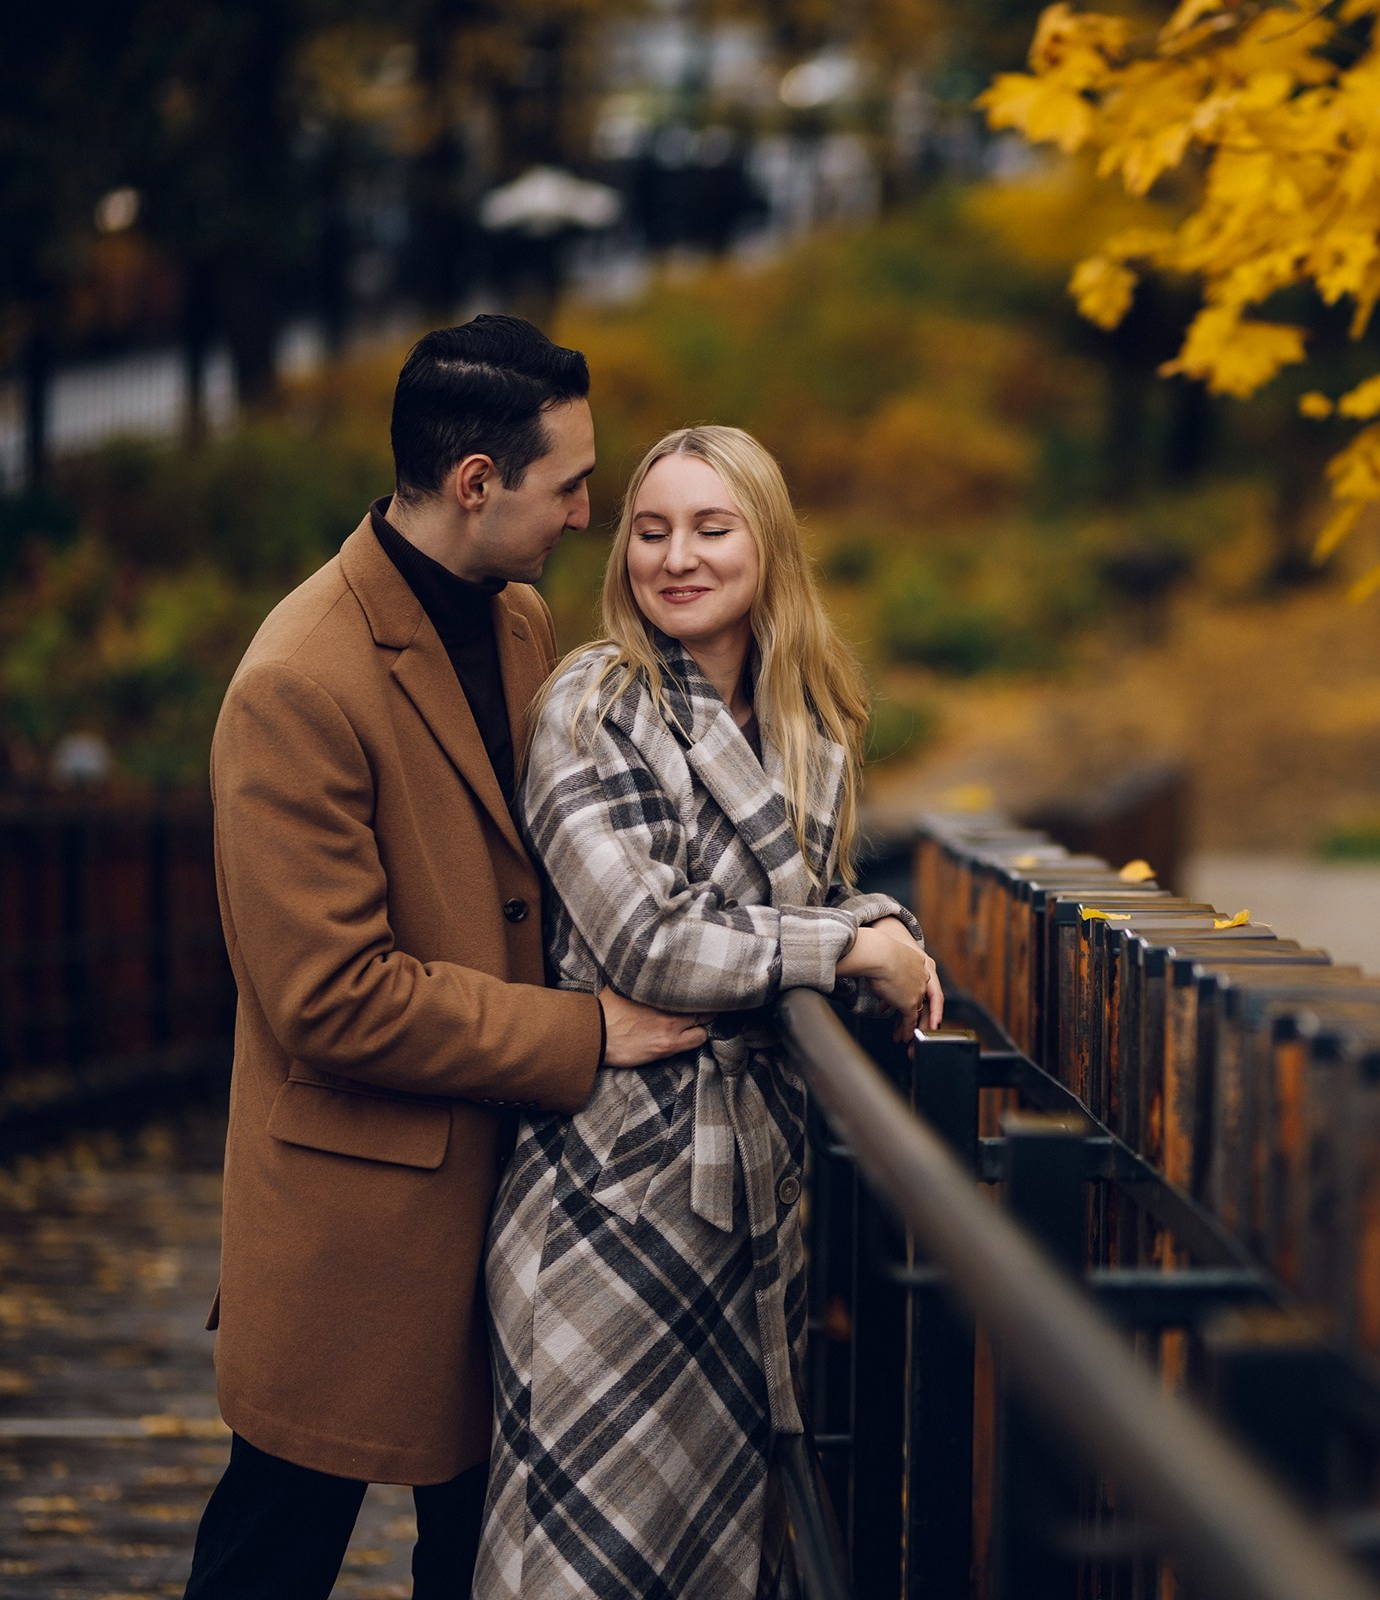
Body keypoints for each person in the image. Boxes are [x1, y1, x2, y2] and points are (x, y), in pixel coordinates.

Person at [185, 316, 710, 1600]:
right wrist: (584, 1033)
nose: (589, 513)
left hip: (519, 1198)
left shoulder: (519, 622)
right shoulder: (296, 681)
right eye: (570, 484)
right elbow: (328, 999)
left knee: (480, 1557)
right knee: (276, 1545)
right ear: (475, 483)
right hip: (357, 1218)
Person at [477, 424, 940, 1598]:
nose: (676, 557)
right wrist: (850, 947)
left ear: (767, 546)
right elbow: (649, 942)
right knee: (584, 1556)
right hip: (614, 1186)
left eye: (711, 528)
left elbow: (797, 897)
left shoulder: (803, 716)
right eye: (650, 529)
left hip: (750, 1200)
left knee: (721, 1555)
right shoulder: (595, 703)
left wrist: (883, 929)